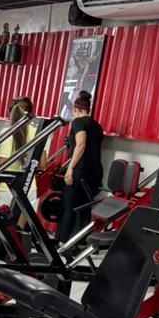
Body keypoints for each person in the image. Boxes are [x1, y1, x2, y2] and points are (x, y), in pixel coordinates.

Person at [58, 90, 104, 243]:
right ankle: (83, 242)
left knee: (69, 207)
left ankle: (63, 243)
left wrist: (70, 168)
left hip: (79, 171)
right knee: (85, 208)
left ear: (76, 109)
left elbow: (81, 145)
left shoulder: (78, 122)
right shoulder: (97, 126)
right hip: (95, 172)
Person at [0, 97, 38, 222]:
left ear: (12, 113)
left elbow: (2, 163)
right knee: (18, 231)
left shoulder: (6, 132)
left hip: (6, 188)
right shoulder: (38, 132)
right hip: (28, 188)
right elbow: (41, 165)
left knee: (3, 230)